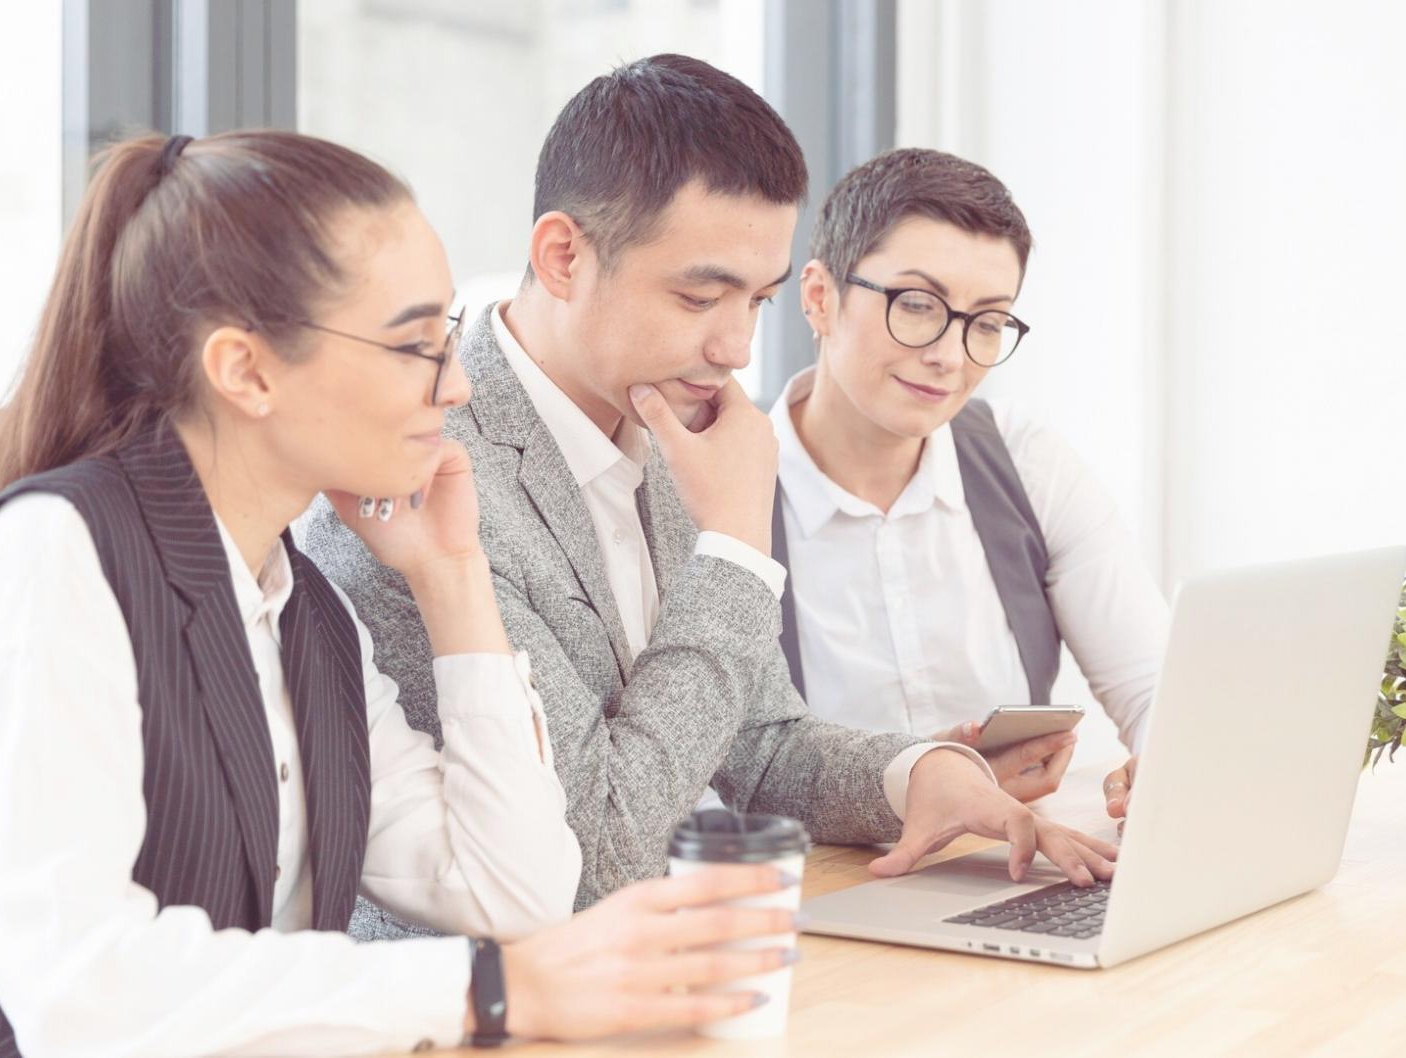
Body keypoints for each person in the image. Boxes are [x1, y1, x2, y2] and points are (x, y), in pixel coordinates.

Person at [0, 130, 805, 1057]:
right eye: (413, 344)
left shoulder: (303, 607)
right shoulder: (57, 557)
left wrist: (453, 580)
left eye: (447, 334)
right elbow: (82, 994)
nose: (459, 382)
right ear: (246, 370)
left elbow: (512, 893)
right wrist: (492, 989)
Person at [302, 55, 1118, 926]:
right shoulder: (423, 483)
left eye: (760, 301)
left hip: (674, 961)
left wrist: (917, 776)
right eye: (700, 297)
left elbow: (756, 741)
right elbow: (592, 854)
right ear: (563, 255)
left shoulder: (665, 416)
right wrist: (734, 550)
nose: (736, 347)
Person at [772, 146, 1166, 819]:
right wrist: (910, 790)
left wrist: (1168, 761)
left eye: (986, 323)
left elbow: (1154, 685)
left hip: (1005, 865)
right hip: (812, 892)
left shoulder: (1024, 464)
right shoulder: (717, 492)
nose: (949, 356)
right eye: (918, 305)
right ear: (819, 298)